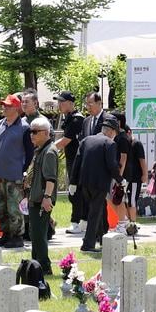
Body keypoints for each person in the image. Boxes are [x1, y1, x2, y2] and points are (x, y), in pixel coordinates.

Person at [0, 94, 32, 248]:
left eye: (7, 105)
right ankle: (5, 234)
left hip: (14, 176)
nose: (3, 108)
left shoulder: (25, 128)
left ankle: (17, 236)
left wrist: (23, 171)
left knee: (14, 208)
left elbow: (30, 153)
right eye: (3, 105)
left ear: (16, 108)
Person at [68, 91, 110, 236]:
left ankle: (101, 232)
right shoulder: (86, 121)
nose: (88, 107)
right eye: (87, 104)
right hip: (88, 168)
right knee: (89, 200)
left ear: (100, 104)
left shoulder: (108, 119)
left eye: (90, 103)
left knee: (100, 202)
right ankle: (95, 232)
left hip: (103, 167)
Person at [76, 116, 120, 253]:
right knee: (95, 213)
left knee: (99, 210)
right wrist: (120, 179)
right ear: (111, 131)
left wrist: (73, 182)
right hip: (100, 184)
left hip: (85, 183)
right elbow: (112, 165)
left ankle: (103, 239)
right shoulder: (110, 143)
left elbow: (77, 162)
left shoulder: (86, 140)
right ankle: (88, 244)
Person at [25, 116, 59, 276]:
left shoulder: (49, 151)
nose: (31, 134)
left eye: (35, 132)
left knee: (39, 236)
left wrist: (47, 198)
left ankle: (44, 268)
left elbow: (50, 178)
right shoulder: (40, 149)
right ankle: (35, 266)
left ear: (45, 133)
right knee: (35, 234)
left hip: (41, 200)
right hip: (35, 198)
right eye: (30, 131)